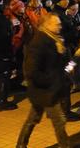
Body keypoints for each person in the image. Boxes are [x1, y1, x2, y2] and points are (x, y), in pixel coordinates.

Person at [16, 14, 70, 148]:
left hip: (49, 89)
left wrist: (63, 51)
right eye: (56, 24)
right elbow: (31, 71)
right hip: (45, 91)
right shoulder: (38, 42)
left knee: (32, 119)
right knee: (60, 121)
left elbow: (64, 62)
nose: (60, 26)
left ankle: (20, 145)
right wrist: (50, 82)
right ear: (46, 25)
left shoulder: (55, 40)